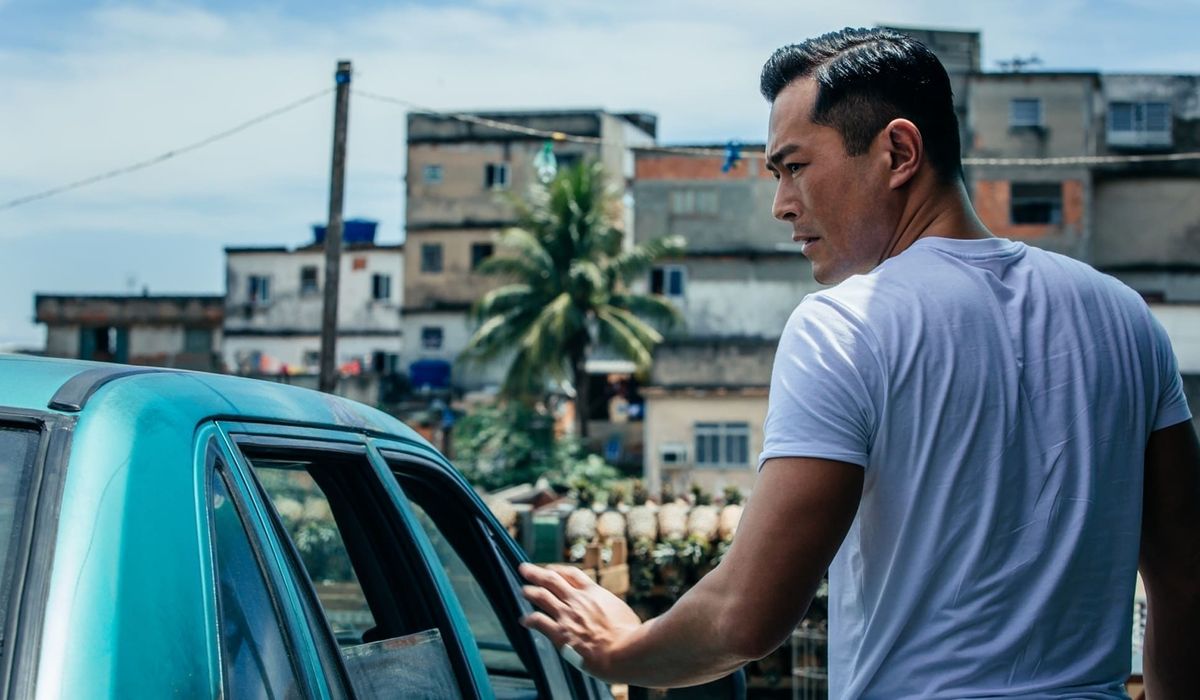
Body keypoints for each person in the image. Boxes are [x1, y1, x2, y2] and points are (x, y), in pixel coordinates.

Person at [519, 27, 1200, 699]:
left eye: (795, 167)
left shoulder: (846, 326)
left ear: (898, 153)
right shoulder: (1124, 317)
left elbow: (745, 617)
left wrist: (619, 649)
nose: (782, 205)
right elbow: (1187, 581)